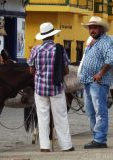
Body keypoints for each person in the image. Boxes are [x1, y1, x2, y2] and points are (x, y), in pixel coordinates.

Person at [28, 22, 74, 152]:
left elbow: (31, 70)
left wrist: (40, 74)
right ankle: (66, 146)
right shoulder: (59, 49)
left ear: (42, 37)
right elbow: (66, 70)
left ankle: (44, 146)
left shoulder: (35, 50)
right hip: (56, 88)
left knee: (42, 118)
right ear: (53, 36)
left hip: (40, 89)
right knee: (60, 117)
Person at [80, 16, 113, 149]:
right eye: (90, 28)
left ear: (100, 28)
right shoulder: (93, 42)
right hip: (88, 81)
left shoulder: (105, 41)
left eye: (94, 27)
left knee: (100, 111)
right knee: (91, 111)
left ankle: (100, 139)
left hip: (98, 82)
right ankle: (96, 138)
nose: (92, 30)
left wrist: (100, 73)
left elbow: (110, 59)